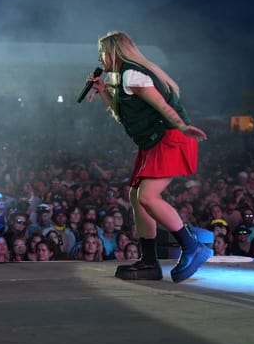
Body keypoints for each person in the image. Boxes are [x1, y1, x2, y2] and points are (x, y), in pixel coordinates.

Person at [85, 30, 211, 283]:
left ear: (113, 51)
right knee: (136, 196)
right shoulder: (124, 78)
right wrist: (103, 91)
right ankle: (150, 261)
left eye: (101, 53)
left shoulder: (132, 74)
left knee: (148, 197)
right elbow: (123, 115)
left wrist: (183, 127)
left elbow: (162, 106)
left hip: (170, 137)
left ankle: (192, 246)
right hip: (155, 141)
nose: (100, 58)